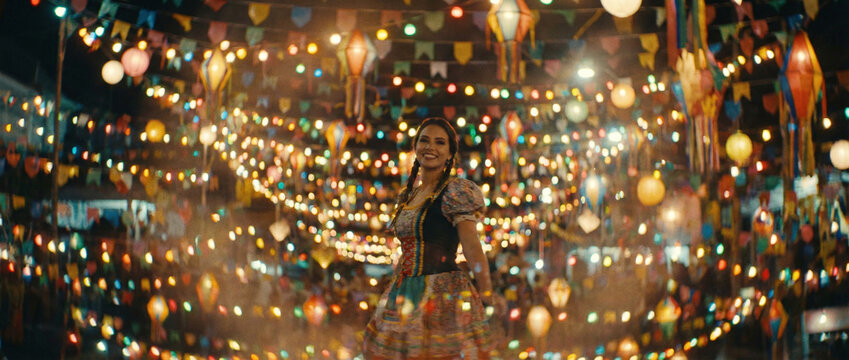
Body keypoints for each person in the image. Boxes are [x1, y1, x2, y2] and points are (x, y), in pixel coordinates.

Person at [363, 117, 498, 359]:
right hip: (404, 291)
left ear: (449, 154)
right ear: (415, 147)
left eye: (439, 142)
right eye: (424, 140)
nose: (430, 147)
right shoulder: (408, 196)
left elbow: (471, 246)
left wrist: (486, 291)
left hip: (442, 293)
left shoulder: (455, 192)